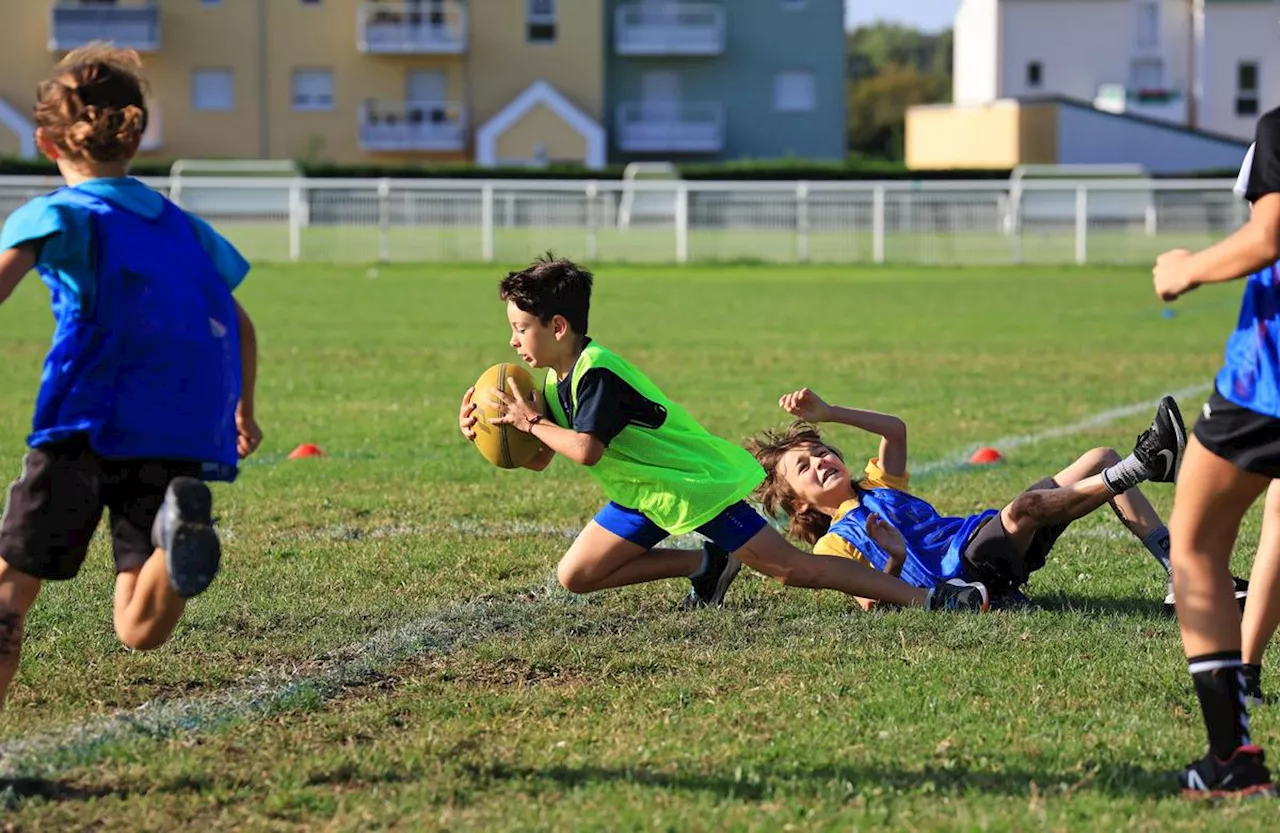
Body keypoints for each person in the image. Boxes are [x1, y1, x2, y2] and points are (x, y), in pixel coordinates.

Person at [458, 255, 990, 614]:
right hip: (647, 492)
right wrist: (488, 431)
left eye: (520, 328)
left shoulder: (597, 372)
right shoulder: (556, 379)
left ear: (557, 328)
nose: (512, 341)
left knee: (793, 569)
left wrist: (532, 422)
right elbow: (541, 458)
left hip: (694, 485)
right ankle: (705, 562)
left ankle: (932, 599)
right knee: (576, 575)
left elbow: (586, 449)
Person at [0, 44, 261, 706]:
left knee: (9, 592)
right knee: (136, 625)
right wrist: (242, 411)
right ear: (136, 134)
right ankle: (173, 550)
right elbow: (240, 323)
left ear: (44, 138)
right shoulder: (184, 227)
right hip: (182, 428)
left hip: (89, 421)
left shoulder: (59, 211)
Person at [747, 387, 1189, 611]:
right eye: (805, 468)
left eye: (822, 453)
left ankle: (1178, 572)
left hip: (979, 540)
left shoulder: (879, 485)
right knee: (1027, 508)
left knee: (1099, 457)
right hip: (964, 573)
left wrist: (828, 414)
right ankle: (1144, 465)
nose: (821, 462)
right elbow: (876, 606)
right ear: (800, 505)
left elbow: (894, 429)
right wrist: (895, 558)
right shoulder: (833, 543)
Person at [1148, 115, 1280, 796]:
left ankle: (1231, 756)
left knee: (1195, 546)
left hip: (1268, 387)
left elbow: (1269, 235)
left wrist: (1184, 270)